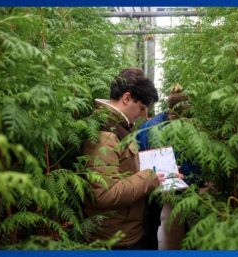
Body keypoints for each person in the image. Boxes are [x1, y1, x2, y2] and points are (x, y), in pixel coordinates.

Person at [82, 68, 176, 249]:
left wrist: (165, 172)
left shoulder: (120, 126)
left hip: (126, 229)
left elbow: (123, 168)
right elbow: (103, 193)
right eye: (141, 108)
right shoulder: (105, 134)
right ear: (126, 98)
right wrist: (150, 177)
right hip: (115, 238)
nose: (143, 115)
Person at [135, 84, 201, 250]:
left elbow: (196, 157)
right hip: (157, 182)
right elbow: (143, 156)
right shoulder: (151, 128)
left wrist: (192, 177)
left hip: (178, 181)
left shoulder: (189, 125)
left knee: (185, 220)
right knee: (151, 221)